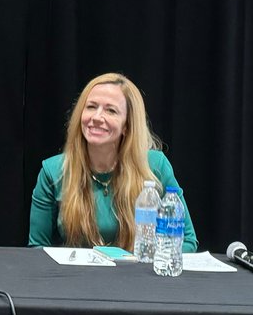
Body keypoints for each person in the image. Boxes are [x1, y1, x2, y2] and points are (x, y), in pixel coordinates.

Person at [28, 73, 198, 251]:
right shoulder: (53, 171)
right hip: (77, 277)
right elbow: (37, 248)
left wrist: (148, 262)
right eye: (91, 107)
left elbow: (187, 240)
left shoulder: (155, 166)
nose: (96, 117)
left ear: (127, 125)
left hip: (138, 276)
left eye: (111, 111)